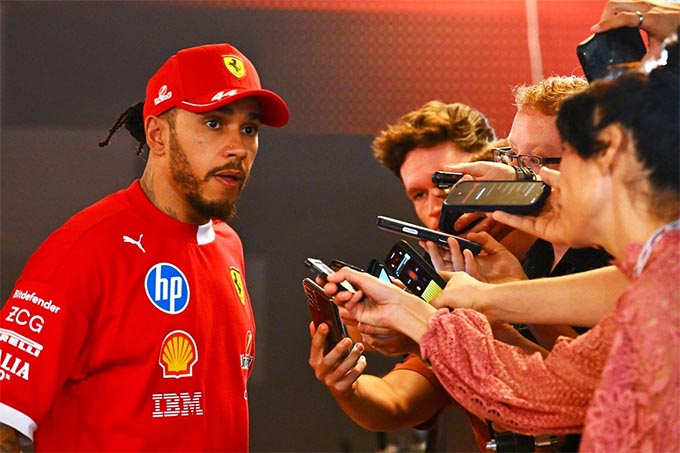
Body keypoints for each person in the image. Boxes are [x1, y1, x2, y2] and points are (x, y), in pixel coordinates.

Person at [326, 65, 679, 451]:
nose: (524, 179)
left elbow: (565, 389)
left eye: (540, 162)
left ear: (608, 164)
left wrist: (441, 313)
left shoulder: (656, 276)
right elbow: (560, 383)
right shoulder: (525, 257)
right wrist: (438, 315)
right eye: (515, 159)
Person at [0, 43, 289, 451]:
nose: (238, 148)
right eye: (213, 123)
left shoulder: (228, 245)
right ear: (157, 135)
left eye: (249, 129)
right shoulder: (85, 248)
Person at [309, 100, 496, 451]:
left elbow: (564, 382)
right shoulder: (440, 292)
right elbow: (396, 402)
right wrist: (346, 385)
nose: (434, 208)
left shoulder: (563, 256)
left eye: (446, 183)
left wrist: (422, 330)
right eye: (419, 194)